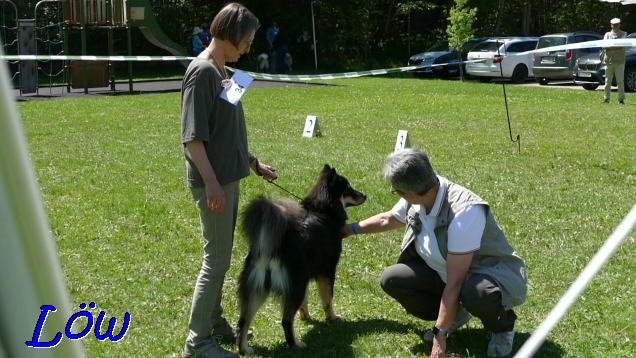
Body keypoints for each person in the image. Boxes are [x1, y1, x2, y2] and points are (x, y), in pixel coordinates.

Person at [344, 148, 527, 358]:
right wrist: (350, 229)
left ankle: (502, 326)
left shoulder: (464, 213)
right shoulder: (422, 192)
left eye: (396, 191)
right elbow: (389, 219)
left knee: (477, 292)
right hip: (445, 274)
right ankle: (455, 313)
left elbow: (456, 282)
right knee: (393, 279)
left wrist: (439, 337)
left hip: (484, 277)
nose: (397, 195)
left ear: (410, 192)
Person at [180, 3, 277, 358]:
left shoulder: (225, 71)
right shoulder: (202, 73)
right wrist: (213, 184)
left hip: (227, 178)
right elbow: (193, 139)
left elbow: (227, 132)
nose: (250, 47)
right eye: (247, 40)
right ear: (231, 35)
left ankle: (215, 321)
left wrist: (252, 162)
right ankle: (198, 342)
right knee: (216, 260)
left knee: (220, 256)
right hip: (213, 183)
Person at [602, 18, 628, 105]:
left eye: (617, 24)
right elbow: (604, 46)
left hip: (619, 61)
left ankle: (621, 99)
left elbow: (621, 45)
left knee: (620, 81)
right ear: (611, 25)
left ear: (619, 25)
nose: (615, 26)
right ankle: (606, 99)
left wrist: (610, 47)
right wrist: (613, 47)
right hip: (608, 61)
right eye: (613, 24)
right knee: (607, 81)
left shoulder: (624, 34)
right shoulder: (607, 34)